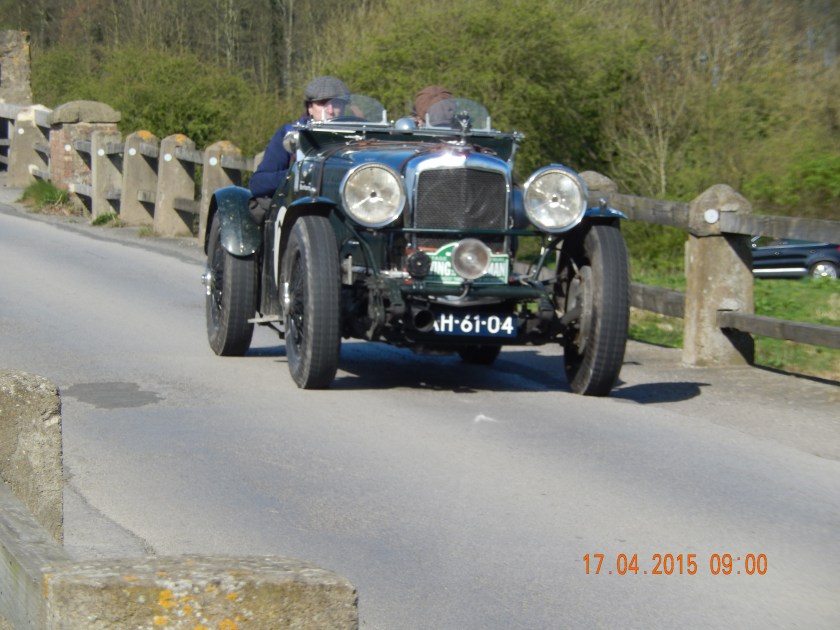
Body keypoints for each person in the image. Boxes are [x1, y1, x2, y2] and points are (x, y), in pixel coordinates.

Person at [249, 76, 351, 200]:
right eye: (322, 103)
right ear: (310, 108)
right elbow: (258, 184)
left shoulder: (358, 134)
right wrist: (299, 174)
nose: (330, 110)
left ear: (344, 107)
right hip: (302, 204)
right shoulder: (291, 133)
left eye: (336, 103)